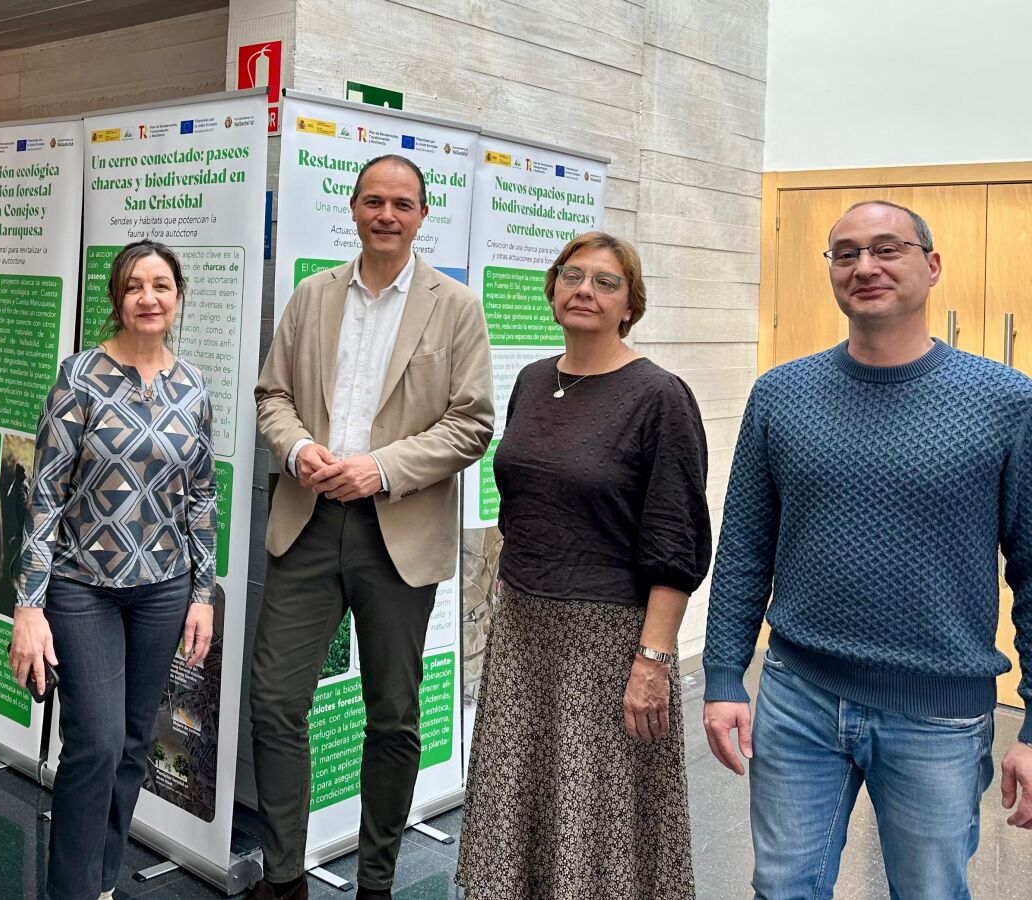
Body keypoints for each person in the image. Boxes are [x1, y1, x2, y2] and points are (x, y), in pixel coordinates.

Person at [703, 200, 1032, 899]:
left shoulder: (1005, 400)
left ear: (932, 265)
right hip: (797, 694)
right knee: (782, 888)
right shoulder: (780, 395)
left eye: (887, 248)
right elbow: (744, 549)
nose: (865, 266)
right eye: (846, 253)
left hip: (937, 714)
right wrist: (725, 676)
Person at [250, 154, 494, 900]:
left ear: (422, 216)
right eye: (373, 201)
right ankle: (284, 879)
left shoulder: (455, 307)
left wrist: (381, 468)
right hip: (308, 522)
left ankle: (377, 883)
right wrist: (299, 450)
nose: (387, 215)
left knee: (392, 715)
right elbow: (272, 395)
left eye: (402, 204)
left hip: (398, 534)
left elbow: (472, 424)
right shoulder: (312, 296)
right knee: (275, 704)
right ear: (353, 209)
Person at [454, 232, 711, 899]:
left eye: (605, 281)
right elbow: (522, 496)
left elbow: (676, 539)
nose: (584, 291)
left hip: (608, 641)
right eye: (572, 276)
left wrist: (653, 660)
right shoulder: (534, 380)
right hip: (523, 628)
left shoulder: (659, 396)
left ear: (631, 304)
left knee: (595, 816)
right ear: (552, 290)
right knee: (518, 802)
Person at [9, 240, 218, 900]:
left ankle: (99, 881)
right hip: (82, 588)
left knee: (131, 745)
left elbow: (201, 496)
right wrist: (29, 605)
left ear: (178, 296)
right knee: (95, 743)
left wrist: (203, 593)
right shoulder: (79, 378)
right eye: (134, 287)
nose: (148, 298)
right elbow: (45, 493)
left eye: (161, 285)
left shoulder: (194, 388)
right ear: (116, 300)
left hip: (164, 589)